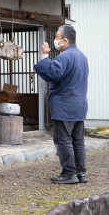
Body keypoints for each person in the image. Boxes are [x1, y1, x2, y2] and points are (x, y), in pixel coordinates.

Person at [34, 25, 89, 184]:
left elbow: (52, 73)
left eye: (57, 37)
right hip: (79, 105)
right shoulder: (82, 56)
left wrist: (44, 56)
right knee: (77, 140)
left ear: (65, 40)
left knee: (63, 139)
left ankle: (69, 173)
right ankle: (81, 173)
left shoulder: (65, 56)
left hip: (65, 105)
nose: (55, 40)